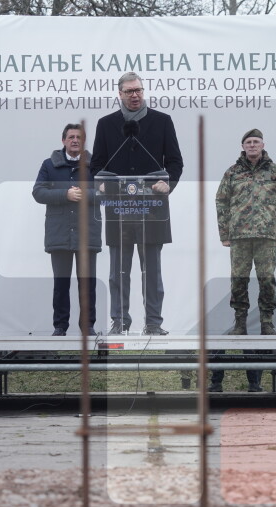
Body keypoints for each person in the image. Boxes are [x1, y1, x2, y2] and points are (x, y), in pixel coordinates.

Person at [90, 72, 183, 336]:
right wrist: (102, 184)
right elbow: (96, 165)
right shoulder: (106, 124)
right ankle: (120, 321)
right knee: (118, 272)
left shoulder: (162, 121)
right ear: (119, 94)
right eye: (129, 91)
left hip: (152, 209)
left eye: (138, 90)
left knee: (151, 271)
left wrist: (168, 183)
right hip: (118, 209)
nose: (135, 95)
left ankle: (153, 323)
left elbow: (175, 162)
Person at [215, 128, 276, 336]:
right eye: (248, 142)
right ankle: (240, 323)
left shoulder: (275, 171)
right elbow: (221, 201)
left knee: (266, 279)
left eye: (256, 142)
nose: (252, 145)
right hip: (239, 236)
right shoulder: (232, 172)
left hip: (266, 235)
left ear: (262, 145)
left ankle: (267, 323)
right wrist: (224, 234)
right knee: (238, 280)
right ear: (243, 146)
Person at [32, 123, 101, 336]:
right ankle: (60, 326)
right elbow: (38, 192)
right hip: (59, 234)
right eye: (71, 137)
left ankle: (87, 326)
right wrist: (65, 194)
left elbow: (107, 193)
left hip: (87, 234)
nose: (75, 141)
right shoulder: (49, 165)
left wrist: (83, 194)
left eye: (79, 137)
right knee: (61, 284)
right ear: (63, 140)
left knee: (87, 284)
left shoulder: (96, 165)